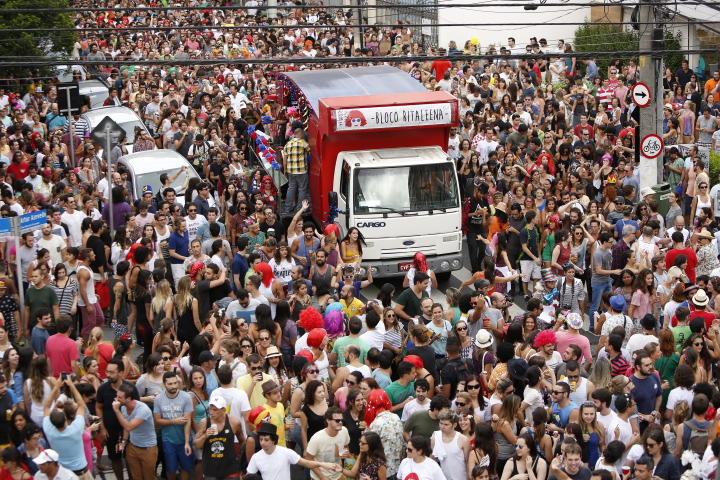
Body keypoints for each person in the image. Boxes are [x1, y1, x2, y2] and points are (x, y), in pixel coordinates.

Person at [246, 421, 342, 480]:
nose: (262, 442)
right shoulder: (256, 457)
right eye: (261, 439)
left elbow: (307, 463)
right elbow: (249, 476)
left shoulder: (286, 452)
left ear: (273, 440)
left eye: (266, 440)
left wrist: (323, 464)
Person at [96, 358, 139, 480]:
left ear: (120, 373)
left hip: (129, 431)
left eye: (111, 372)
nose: (107, 375)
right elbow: (98, 407)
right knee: (115, 458)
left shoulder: (130, 388)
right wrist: (102, 428)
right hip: (111, 431)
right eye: (107, 372)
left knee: (131, 459)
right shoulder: (103, 389)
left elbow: (137, 408)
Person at [152, 371, 194, 480]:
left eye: (175, 383)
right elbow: (157, 421)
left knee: (186, 467)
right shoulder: (159, 399)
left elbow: (187, 420)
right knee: (170, 469)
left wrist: (186, 442)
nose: (174, 386)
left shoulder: (186, 397)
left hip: (184, 439)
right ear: (164, 385)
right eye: (170, 384)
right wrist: (174, 421)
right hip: (168, 440)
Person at [192, 395, 245, 479]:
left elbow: (242, 441)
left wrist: (240, 460)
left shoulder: (234, 422)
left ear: (223, 410)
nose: (211, 412)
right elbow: (195, 446)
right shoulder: (204, 423)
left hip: (230, 468)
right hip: (211, 468)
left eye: (215, 410)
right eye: (210, 409)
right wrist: (205, 436)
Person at [113, 383, 158, 480]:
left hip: (147, 448)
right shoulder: (124, 407)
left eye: (119, 397)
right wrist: (124, 441)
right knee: (136, 477)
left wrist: (117, 411)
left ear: (128, 398)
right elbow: (126, 425)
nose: (116, 399)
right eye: (117, 396)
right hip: (133, 446)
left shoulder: (143, 410)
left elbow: (129, 427)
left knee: (149, 477)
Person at [430, 408, 471, 480]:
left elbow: (468, 462)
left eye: (446, 424)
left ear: (454, 425)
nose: (442, 427)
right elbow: (433, 460)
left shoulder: (463, 440)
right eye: (441, 423)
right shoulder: (435, 437)